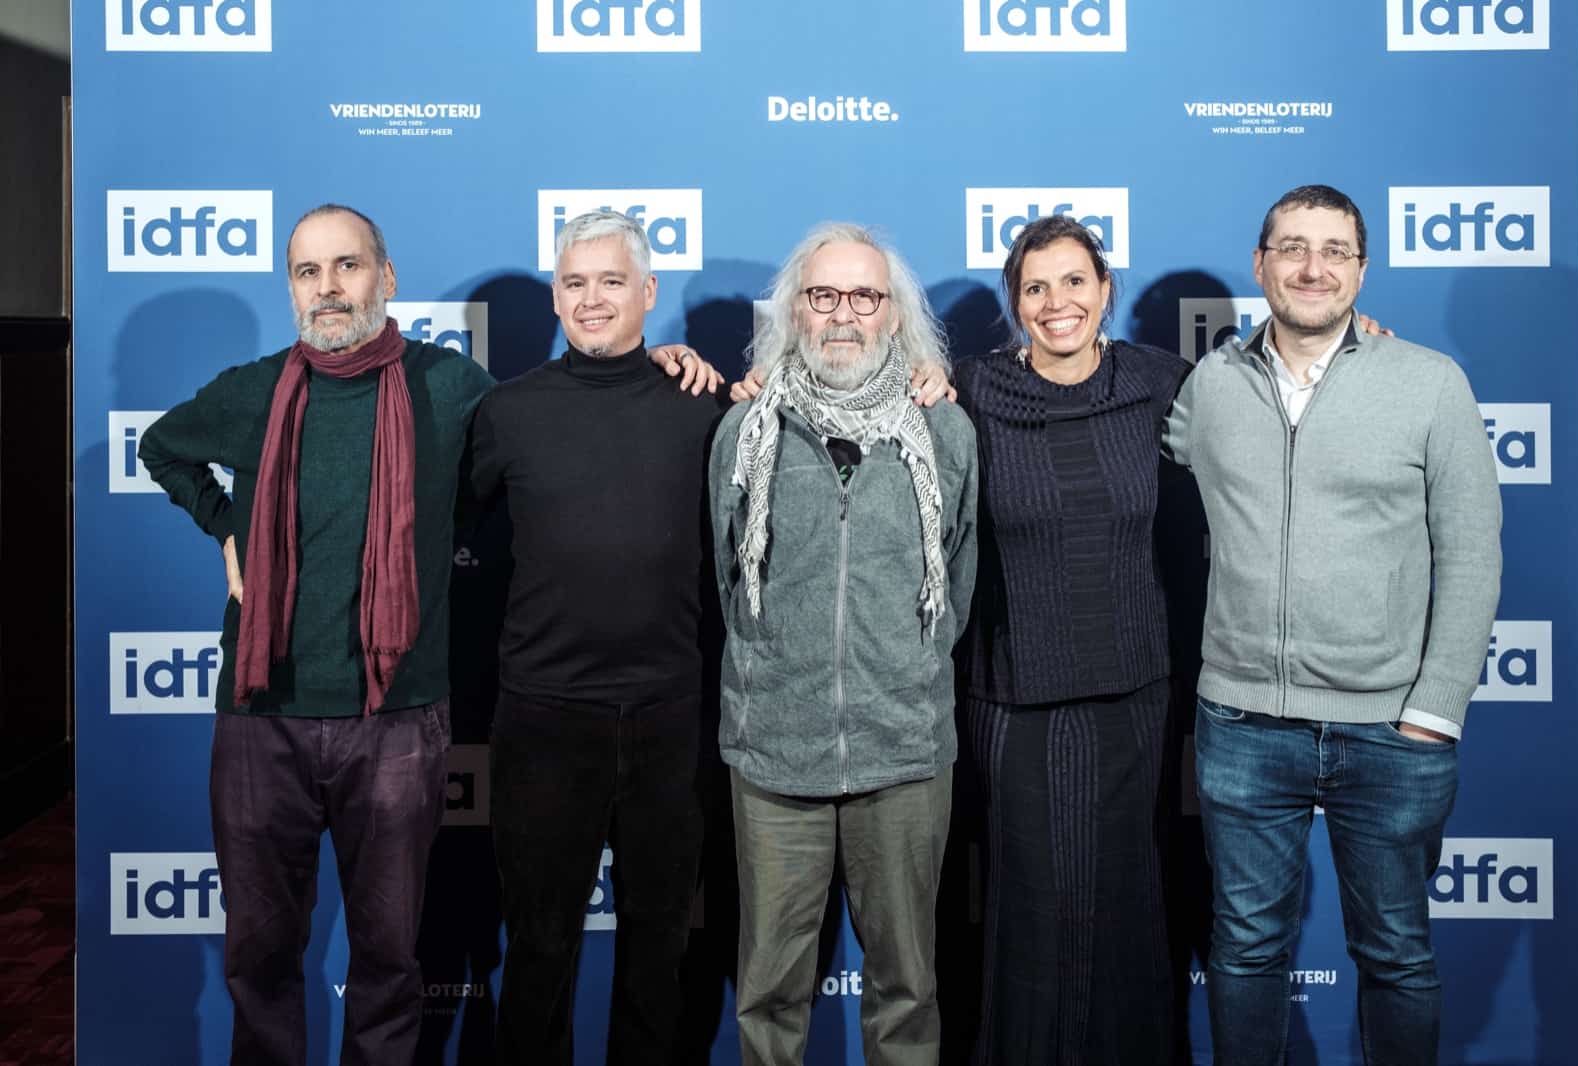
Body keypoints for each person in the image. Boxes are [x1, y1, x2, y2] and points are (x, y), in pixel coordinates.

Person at [139, 203, 718, 1066]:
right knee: (262, 957)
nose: (329, 288)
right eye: (309, 271)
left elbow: (589, 418)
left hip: (405, 717)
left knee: (392, 959)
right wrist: (230, 528)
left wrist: (674, 362)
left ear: (387, 277)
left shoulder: (453, 390)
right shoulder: (260, 391)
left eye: (348, 266)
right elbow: (161, 447)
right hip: (267, 715)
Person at [1165, 184, 1502, 1065]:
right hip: (1241, 725)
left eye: (1334, 251)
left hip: (1391, 731)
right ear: (1261, 264)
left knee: (1395, 957)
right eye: (1292, 248)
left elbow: (1471, 556)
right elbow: (1124, 447)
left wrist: (1433, 711)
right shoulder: (1211, 384)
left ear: (1360, 269)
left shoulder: (1429, 384)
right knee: (1244, 951)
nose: (1312, 267)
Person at [708, 222, 979, 1066]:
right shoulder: (744, 431)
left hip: (903, 753)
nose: (844, 315)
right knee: (768, 996)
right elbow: (726, 580)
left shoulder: (947, 433)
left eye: (865, 296)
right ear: (796, 311)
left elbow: (958, 585)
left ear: (893, 315)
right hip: (774, 759)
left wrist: (899, 674)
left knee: (906, 992)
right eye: (823, 296)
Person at [469, 209, 725, 1065]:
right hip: (545, 721)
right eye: (575, 282)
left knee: (660, 954)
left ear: (648, 293)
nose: (592, 299)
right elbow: (434, 533)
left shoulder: (704, 404)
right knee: (539, 952)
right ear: (554, 295)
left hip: (670, 721)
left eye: (612, 281)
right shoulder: (506, 412)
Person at [953, 214, 1189, 1065]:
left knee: (1133, 903)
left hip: (1137, 694)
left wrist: (1363, 341)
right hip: (1015, 701)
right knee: (1031, 911)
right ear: (1016, 304)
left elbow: (1281, 380)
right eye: (1036, 287)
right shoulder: (967, 390)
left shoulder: (1163, 382)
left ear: (1106, 291)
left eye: (1075, 281)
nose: (1058, 303)